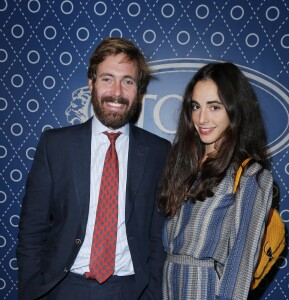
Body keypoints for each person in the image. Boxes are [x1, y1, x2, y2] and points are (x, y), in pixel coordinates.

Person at [16, 37, 171, 300]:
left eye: (128, 81)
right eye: (107, 78)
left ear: (138, 90)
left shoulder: (158, 151)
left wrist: (152, 294)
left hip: (130, 290)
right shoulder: (55, 145)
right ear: (91, 83)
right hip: (64, 287)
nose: (117, 92)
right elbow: (32, 229)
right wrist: (34, 292)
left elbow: (158, 236)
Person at [158, 62, 273, 300]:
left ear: (234, 111)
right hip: (169, 286)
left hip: (207, 289)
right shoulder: (183, 164)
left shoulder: (251, 176)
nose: (202, 118)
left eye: (214, 107)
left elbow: (240, 266)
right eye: (196, 106)